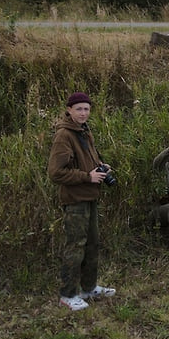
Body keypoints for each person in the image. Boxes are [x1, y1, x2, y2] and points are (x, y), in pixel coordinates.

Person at [47, 92, 117, 311]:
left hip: (90, 197)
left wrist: (101, 166)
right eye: (79, 109)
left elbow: (88, 159)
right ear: (69, 110)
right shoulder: (64, 135)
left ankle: (88, 288)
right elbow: (56, 172)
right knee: (75, 246)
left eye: (86, 109)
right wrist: (88, 177)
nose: (83, 113)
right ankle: (67, 295)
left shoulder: (84, 131)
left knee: (92, 244)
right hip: (75, 199)